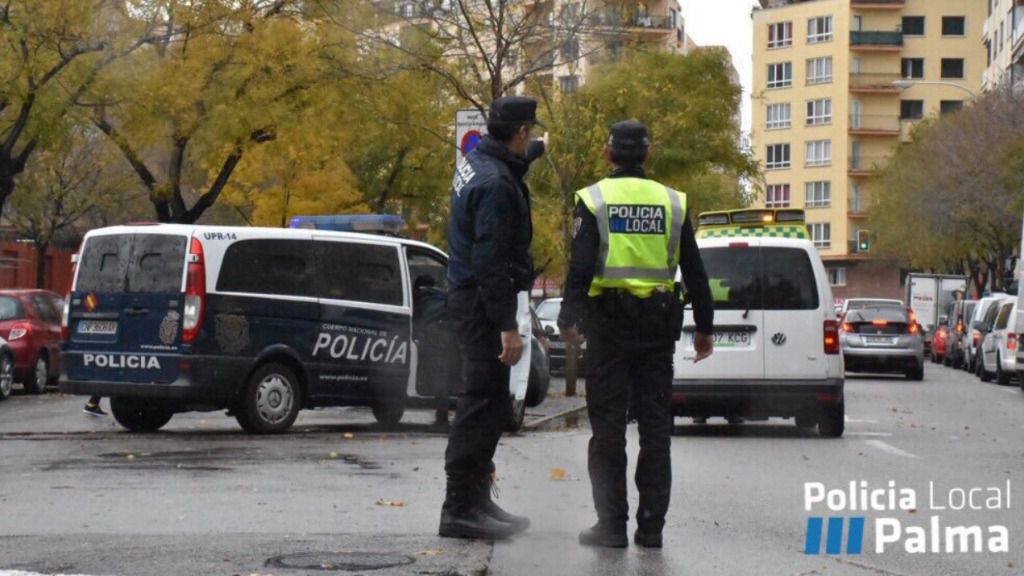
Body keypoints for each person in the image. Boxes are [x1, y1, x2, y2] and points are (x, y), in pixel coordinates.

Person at [557, 120, 715, 549]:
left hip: (608, 328)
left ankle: (611, 526)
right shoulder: (672, 202)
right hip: (657, 329)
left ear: (609, 154)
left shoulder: (594, 200)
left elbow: (581, 265)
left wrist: (568, 316)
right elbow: (695, 270)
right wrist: (704, 325)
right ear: (648, 154)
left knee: (607, 429)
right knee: (655, 429)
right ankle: (650, 529)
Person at [439, 96, 546, 540]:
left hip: (468, 295)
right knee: (479, 405)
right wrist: (507, 325)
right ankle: (459, 508)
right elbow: (490, 260)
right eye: (529, 135)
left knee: (490, 402)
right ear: (519, 133)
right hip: (482, 304)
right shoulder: (497, 187)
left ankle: (477, 499)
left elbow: (511, 164)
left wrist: (537, 151)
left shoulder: (477, 160)